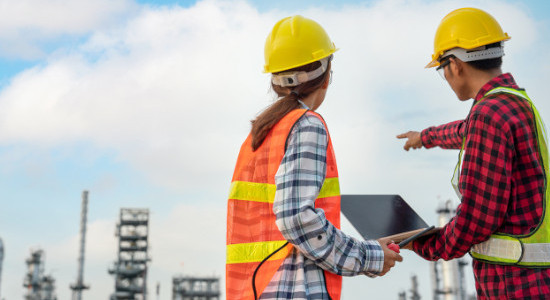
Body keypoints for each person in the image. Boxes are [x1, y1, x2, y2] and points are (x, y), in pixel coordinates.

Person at [226, 15, 402, 300]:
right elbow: (296, 218)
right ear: (326, 75)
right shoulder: (306, 124)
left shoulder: (261, 134)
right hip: (294, 287)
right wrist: (370, 256)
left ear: (274, 80)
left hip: (260, 287)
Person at [397, 7, 550, 299]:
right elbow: (465, 131)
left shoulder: (489, 114)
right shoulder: (515, 104)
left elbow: (477, 218)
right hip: (533, 280)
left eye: (442, 70)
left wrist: (420, 243)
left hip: (511, 284)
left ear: (454, 65)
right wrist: (424, 137)